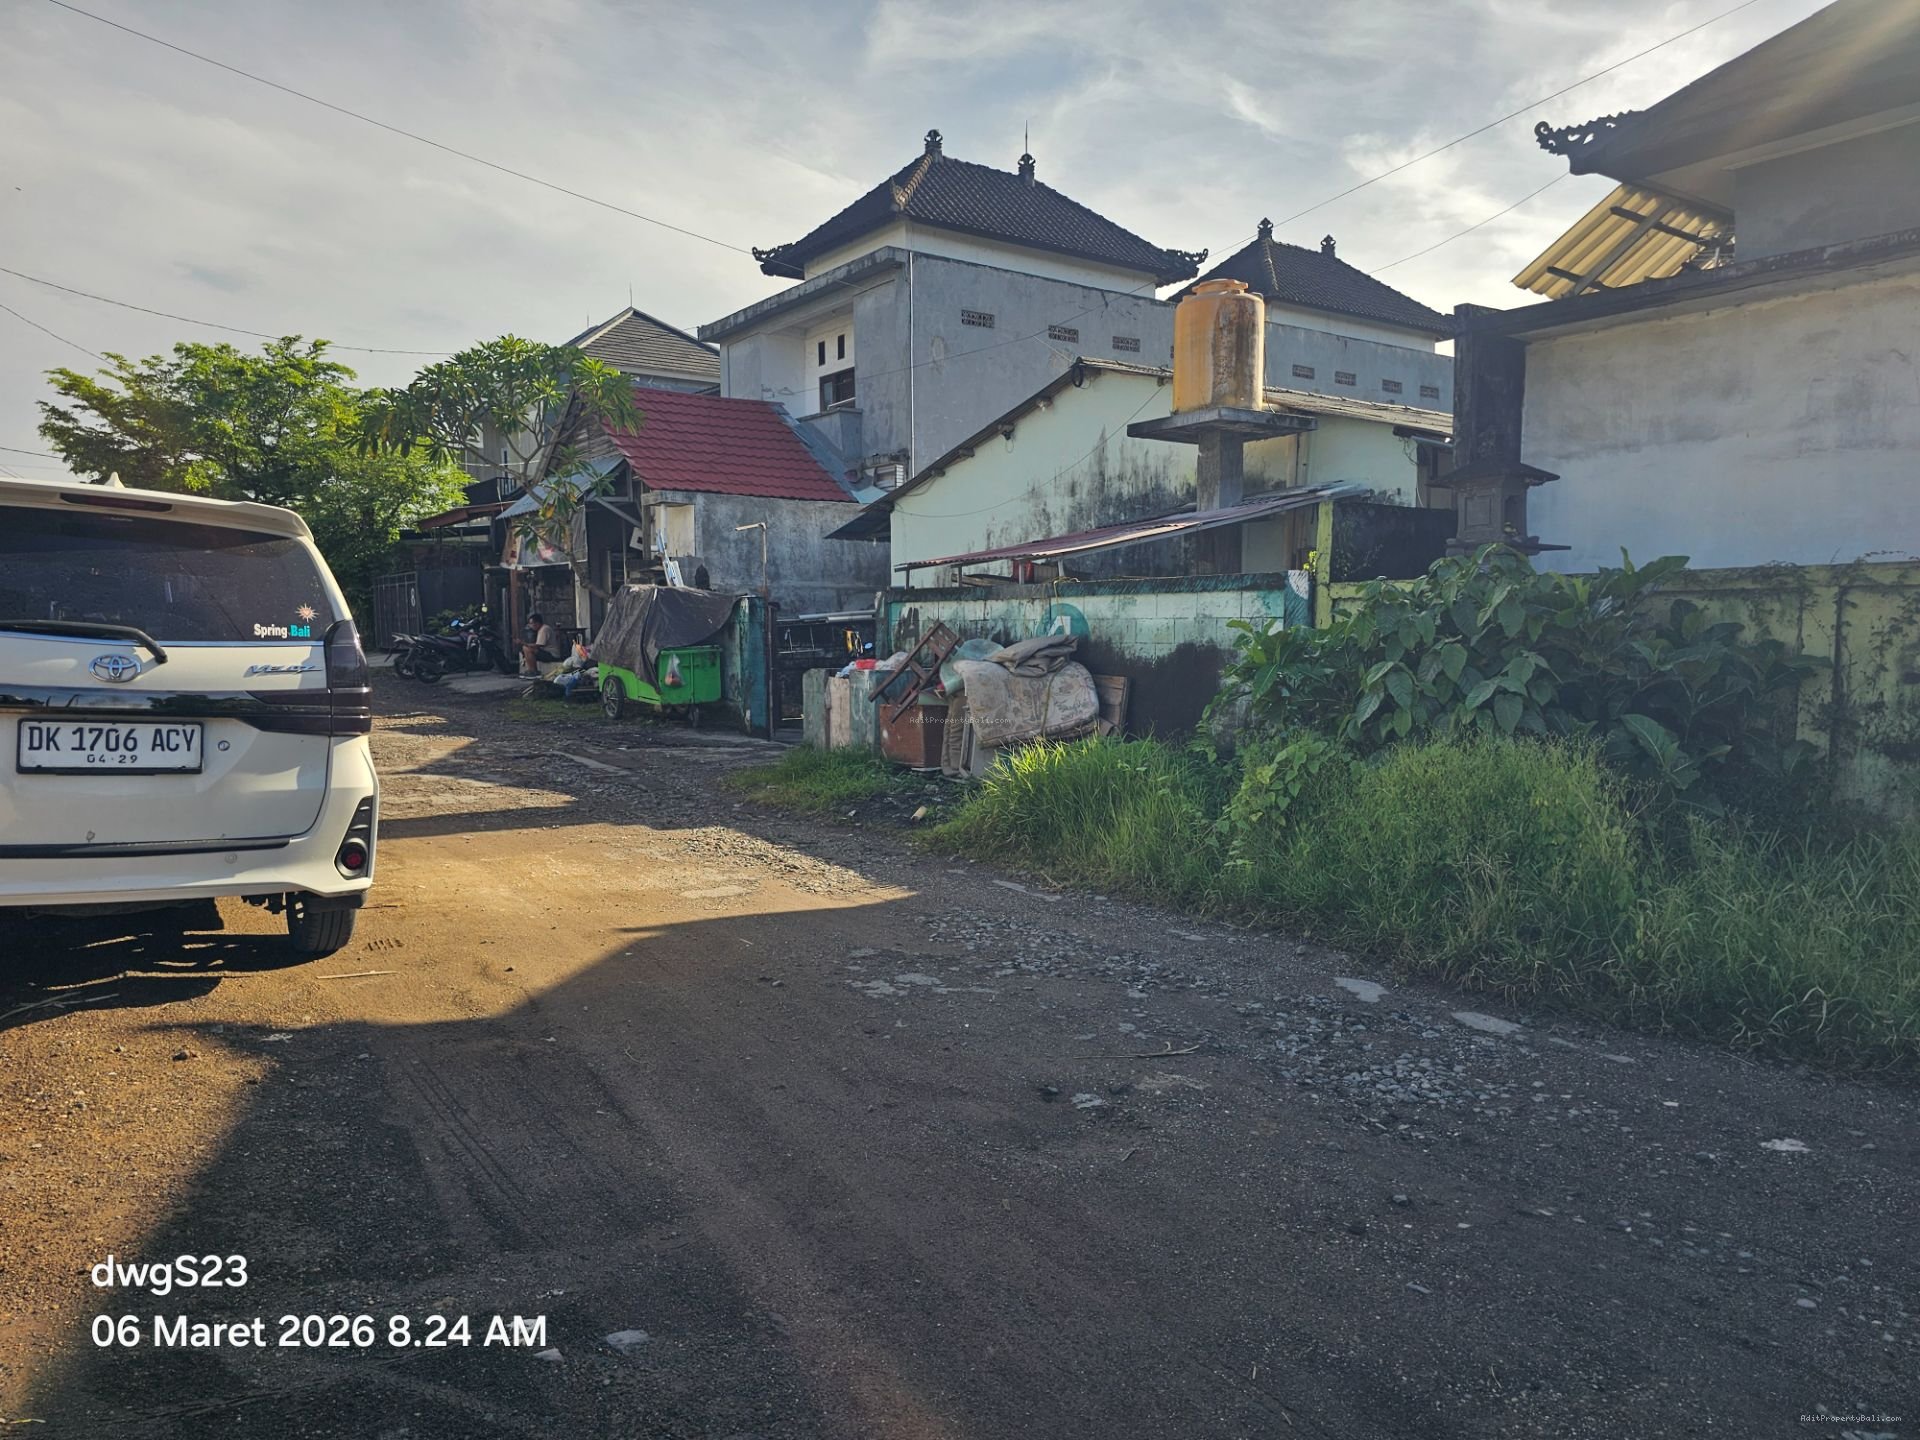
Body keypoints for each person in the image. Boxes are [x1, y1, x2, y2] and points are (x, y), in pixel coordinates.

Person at [519, 612, 565, 677]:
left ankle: (533, 671)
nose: (530, 626)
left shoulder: (544, 629)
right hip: (545, 652)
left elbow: (539, 645)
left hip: (551, 654)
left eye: (531, 624)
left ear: (537, 623)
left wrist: (523, 643)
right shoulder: (540, 630)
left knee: (527, 648)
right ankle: (531, 670)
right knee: (525, 649)